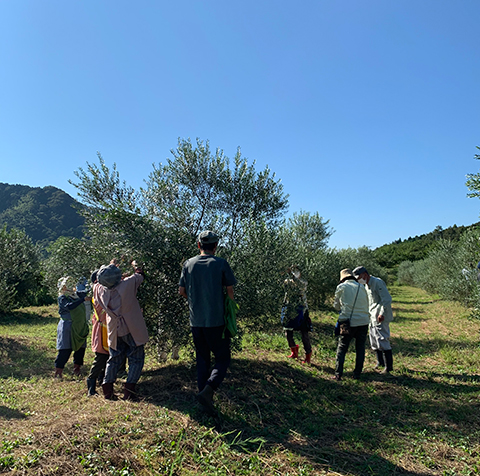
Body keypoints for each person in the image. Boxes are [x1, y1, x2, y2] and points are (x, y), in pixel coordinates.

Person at [178, 231, 237, 416]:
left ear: (198, 245)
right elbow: (230, 291)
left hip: (196, 321)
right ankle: (209, 390)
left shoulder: (188, 264)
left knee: (202, 358)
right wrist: (229, 310)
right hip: (216, 321)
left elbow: (181, 291)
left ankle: (204, 400)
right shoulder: (220, 263)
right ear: (216, 246)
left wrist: (196, 301)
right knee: (223, 358)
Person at [95, 260, 148, 400]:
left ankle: (108, 390)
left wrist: (111, 267)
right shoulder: (127, 284)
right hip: (131, 328)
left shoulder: (99, 289)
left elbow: (99, 280)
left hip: (114, 329)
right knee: (136, 358)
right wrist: (135, 264)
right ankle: (129, 391)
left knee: (114, 359)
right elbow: (140, 274)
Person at [353, 266, 394, 374]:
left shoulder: (377, 282)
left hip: (380, 316)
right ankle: (380, 362)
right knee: (374, 340)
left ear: (365, 274)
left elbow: (386, 299)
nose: (359, 280)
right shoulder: (366, 285)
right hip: (372, 316)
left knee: (382, 338)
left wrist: (382, 313)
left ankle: (388, 367)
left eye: (359, 277)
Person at [333, 269, 370, 380]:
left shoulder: (341, 287)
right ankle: (357, 374)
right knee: (360, 348)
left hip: (347, 322)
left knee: (342, 347)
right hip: (363, 321)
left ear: (343, 278)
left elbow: (336, 306)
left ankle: (338, 373)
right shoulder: (362, 287)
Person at [54, 276, 89, 378]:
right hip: (67, 326)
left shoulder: (76, 295)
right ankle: (58, 372)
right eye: (66, 285)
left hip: (79, 325)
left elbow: (87, 291)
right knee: (65, 349)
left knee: (80, 349)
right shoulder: (62, 298)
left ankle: (77, 370)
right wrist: (82, 300)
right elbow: (69, 306)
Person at [281, 266, 312, 363]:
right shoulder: (287, 282)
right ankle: (294, 351)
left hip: (302, 310)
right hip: (289, 308)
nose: (295, 272)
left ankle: (308, 356)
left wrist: (293, 276)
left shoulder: (303, 282)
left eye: (296, 270)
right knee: (288, 332)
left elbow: (300, 286)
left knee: (304, 334)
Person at [85, 269, 109, 396]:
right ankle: (91, 384)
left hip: (104, 328)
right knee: (100, 357)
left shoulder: (98, 290)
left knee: (105, 356)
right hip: (102, 329)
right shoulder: (98, 289)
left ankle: (101, 380)